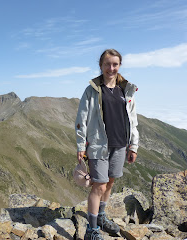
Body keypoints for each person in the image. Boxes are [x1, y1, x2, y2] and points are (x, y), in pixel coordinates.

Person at [75, 49, 139, 240]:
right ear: (101, 66)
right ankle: (91, 229)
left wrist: (133, 145)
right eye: (107, 64)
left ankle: (101, 217)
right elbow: (81, 118)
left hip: (120, 144)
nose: (111, 68)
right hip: (98, 145)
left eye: (115, 64)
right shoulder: (92, 90)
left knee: (110, 182)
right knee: (99, 186)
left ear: (119, 66)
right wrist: (80, 144)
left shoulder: (126, 90)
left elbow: (133, 120)